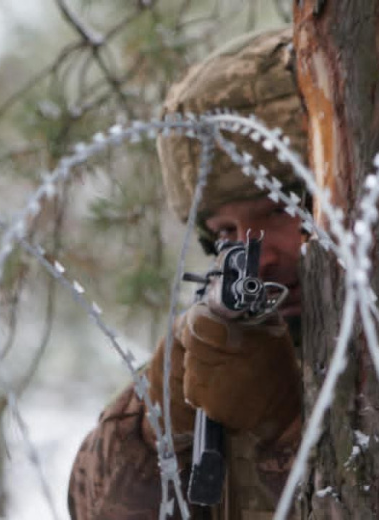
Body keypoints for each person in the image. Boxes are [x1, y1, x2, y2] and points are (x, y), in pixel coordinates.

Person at [68, 27, 309, 520]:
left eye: (277, 211)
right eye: (224, 231)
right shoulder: (225, 337)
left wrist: (284, 428)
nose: (253, 255)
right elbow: (90, 506)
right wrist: (158, 422)